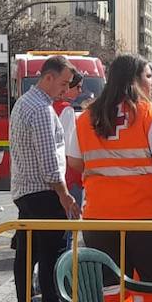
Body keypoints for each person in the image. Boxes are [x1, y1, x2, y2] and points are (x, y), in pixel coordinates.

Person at [68, 55, 152, 302]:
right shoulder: (150, 113)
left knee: (110, 288)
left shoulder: (87, 116)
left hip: (100, 219)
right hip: (146, 218)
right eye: (147, 75)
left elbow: (74, 161)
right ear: (133, 80)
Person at [8, 55, 79, 302]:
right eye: (63, 83)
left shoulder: (26, 103)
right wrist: (64, 194)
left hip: (28, 191)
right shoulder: (40, 109)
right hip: (44, 192)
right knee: (52, 252)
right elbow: (49, 160)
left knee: (28, 253)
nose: (65, 89)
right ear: (47, 77)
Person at [54, 70, 85, 216]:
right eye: (77, 87)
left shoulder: (49, 106)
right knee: (70, 225)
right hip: (69, 176)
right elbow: (69, 146)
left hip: (54, 175)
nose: (80, 91)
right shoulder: (66, 109)